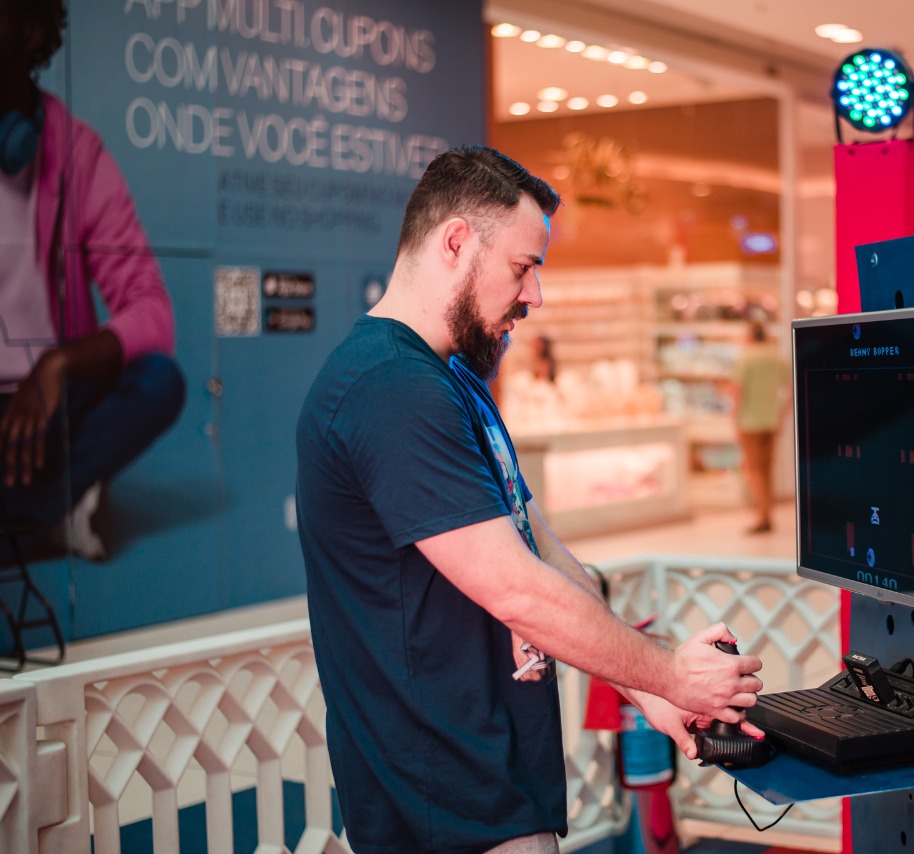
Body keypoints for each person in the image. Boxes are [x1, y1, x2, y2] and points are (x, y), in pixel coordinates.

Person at [295, 145, 764, 853]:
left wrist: (653, 691)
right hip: (443, 806)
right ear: (455, 242)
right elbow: (517, 593)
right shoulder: (389, 390)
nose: (535, 295)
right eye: (523, 266)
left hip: (494, 789)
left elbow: (541, 554)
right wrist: (670, 670)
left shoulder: (447, 384)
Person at [0, 0, 185, 559]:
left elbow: (150, 308)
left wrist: (57, 366)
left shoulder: (76, 151)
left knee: (158, 382)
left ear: (33, 34)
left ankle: (24, 516)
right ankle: (46, 513)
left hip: (53, 403)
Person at [731, 320, 789, 534]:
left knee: (754, 470)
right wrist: (782, 415)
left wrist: (735, 420)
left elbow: (737, 392)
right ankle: (767, 513)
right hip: (771, 422)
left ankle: (762, 516)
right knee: (767, 469)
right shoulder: (776, 357)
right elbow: (790, 388)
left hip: (750, 422)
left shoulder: (746, 358)